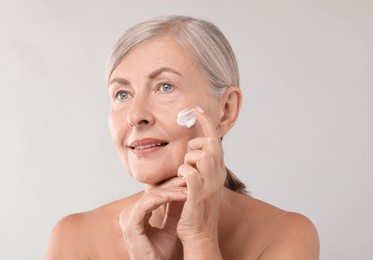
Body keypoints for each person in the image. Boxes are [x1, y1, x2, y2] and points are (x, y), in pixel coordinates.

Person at [47, 15, 319, 259]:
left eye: (165, 87)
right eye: (122, 94)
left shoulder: (285, 234)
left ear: (225, 111)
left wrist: (200, 238)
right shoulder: (75, 238)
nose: (135, 115)